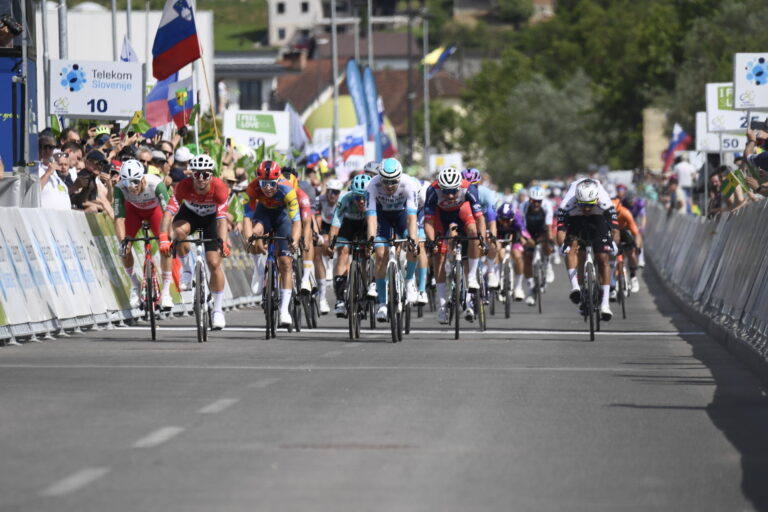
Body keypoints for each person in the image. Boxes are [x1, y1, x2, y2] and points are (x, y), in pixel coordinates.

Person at [160, 154, 230, 330]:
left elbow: (222, 220)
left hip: (210, 219)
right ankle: (187, 269)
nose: (200, 179)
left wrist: (223, 242)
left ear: (211, 175)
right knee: (178, 231)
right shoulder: (183, 186)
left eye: (205, 175)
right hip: (189, 215)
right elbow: (168, 213)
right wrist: (162, 237)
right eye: (197, 174)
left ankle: (218, 310)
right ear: (191, 174)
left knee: (214, 263)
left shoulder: (220, 188)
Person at [423, 167, 485, 324]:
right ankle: (443, 304)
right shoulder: (432, 190)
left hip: (462, 212)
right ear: (440, 188)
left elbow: (480, 218)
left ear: (459, 187)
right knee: (438, 252)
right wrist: (431, 241)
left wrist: (482, 239)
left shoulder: (468, 188)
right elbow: (428, 221)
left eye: (453, 191)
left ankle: (471, 277)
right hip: (440, 215)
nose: (450, 196)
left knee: (473, 231)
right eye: (446, 191)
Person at [244, 160, 302, 327]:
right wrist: (250, 239)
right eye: (264, 183)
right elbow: (247, 218)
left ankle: (284, 310)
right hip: (264, 215)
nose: (267, 188)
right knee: (255, 234)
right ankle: (259, 269)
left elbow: (296, 221)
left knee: (285, 262)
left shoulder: (288, 190)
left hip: (283, 218)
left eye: (271, 184)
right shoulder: (252, 187)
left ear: (277, 181)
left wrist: (295, 240)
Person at [556, 178, 619, 321]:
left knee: (603, 258)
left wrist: (613, 243)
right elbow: (560, 232)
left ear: (596, 200)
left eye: (589, 205)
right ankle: (576, 288)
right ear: (577, 200)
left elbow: (615, 229)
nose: (586, 209)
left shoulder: (604, 201)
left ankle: (605, 304)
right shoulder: (566, 204)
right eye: (583, 205)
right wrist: (562, 245)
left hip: (598, 218)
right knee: (571, 246)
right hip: (575, 219)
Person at [366, 157, 420, 322]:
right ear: (380, 178)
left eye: (393, 182)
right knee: (380, 254)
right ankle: (382, 303)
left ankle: (410, 281)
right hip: (382, 217)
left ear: (400, 177)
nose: (389, 186)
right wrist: (371, 240)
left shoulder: (409, 184)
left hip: (402, 215)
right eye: (386, 182)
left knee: (414, 244)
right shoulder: (372, 186)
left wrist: (411, 239)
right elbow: (371, 219)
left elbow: (412, 219)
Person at [114, 159, 174, 309]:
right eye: (127, 182)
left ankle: (166, 293)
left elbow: (168, 213)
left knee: (166, 247)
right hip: (133, 211)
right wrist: (123, 242)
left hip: (155, 211)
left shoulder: (156, 184)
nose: (132, 186)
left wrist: (167, 237)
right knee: (124, 249)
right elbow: (119, 219)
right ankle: (135, 285)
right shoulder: (119, 188)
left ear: (142, 178)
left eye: (135, 181)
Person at [326, 173, 371, 316]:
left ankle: (363, 291)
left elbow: (376, 224)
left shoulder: (374, 200)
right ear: (353, 194)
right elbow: (335, 222)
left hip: (367, 224)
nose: (362, 201)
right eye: (358, 197)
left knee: (365, 254)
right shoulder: (345, 199)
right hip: (349, 224)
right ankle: (340, 299)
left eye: (364, 197)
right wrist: (331, 243)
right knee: (342, 252)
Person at [520, 185, 555, 306]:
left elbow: (549, 226)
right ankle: (531, 289)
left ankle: (547, 264)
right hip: (528, 230)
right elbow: (521, 226)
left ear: (542, 201)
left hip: (542, 229)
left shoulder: (547, 205)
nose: (535, 204)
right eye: (533, 201)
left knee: (547, 241)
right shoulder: (523, 206)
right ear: (529, 199)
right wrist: (525, 239)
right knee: (527, 257)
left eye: (538, 201)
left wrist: (550, 239)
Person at [314, 178, 344, 314]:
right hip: (325, 224)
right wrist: (318, 234)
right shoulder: (320, 199)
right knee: (324, 242)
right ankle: (328, 263)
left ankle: (331, 264)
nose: (332, 195)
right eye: (330, 192)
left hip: (339, 224)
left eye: (336, 192)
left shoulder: (343, 200)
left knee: (337, 243)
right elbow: (317, 217)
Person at [495, 202, 531, 304]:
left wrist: (527, 240)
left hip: (514, 235)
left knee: (518, 256)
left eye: (507, 221)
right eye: (502, 220)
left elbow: (524, 232)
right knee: (498, 254)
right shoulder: (496, 220)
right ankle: (497, 282)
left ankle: (518, 287)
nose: (505, 223)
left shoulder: (517, 219)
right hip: (500, 235)